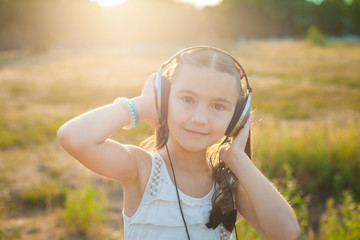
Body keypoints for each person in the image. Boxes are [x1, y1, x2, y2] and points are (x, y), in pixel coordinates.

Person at [57, 46, 300, 240]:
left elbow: (286, 233)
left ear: (236, 118)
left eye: (218, 106)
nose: (199, 119)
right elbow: (73, 137)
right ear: (164, 100)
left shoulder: (229, 187)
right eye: (187, 99)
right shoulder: (141, 170)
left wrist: (237, 158)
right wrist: (142, 106)